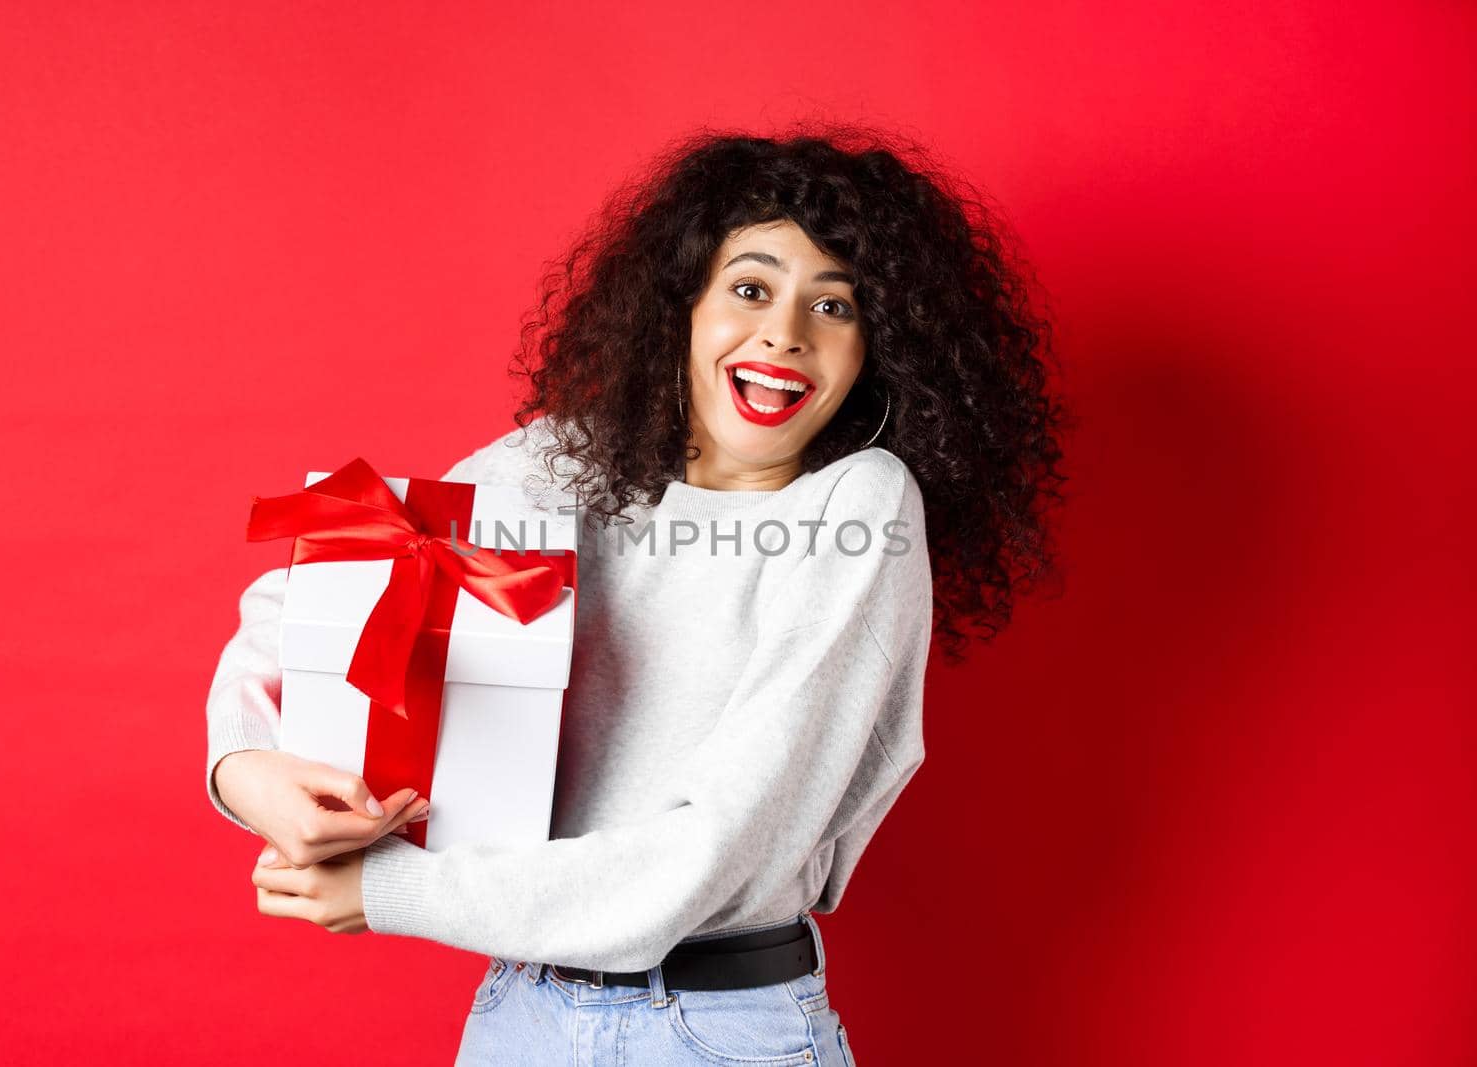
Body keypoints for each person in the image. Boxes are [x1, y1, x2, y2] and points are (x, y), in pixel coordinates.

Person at [205, 124, 1068, 1065]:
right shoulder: (561, 467)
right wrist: (245, 768)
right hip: (518, 1012)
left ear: (878, 353)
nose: (784, 331)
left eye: (836, 307)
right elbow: (310, 598)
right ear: (683, 307)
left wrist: (397, 891)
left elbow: (713, 852)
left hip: (719, 1028)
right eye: (750, 288)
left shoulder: (855, 508)